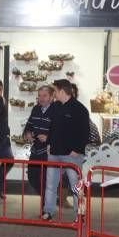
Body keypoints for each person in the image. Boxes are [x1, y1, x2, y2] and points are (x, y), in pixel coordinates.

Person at [42, 79, 90, 222]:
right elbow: (52, 127)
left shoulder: (80, 109)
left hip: (72, 156)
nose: (54, 94)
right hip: (54, 154)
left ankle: (80, 214)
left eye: (55, 91)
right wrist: (49, 144)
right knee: (50, 185)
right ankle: (48, 211)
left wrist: (77, 149)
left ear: (62, 91)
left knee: (77, 187)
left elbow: (85, 132)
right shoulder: (56, 106)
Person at [23, 85, 54, 198]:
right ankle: (47, 198)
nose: (41, 98)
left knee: (45, 180)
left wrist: (48, 137)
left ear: (51, 97)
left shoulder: (56, 111)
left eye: (45, 96)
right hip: (35, 150)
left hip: (49, 152)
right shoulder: (35, 109)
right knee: (32, 177)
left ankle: (46, 206)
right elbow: (29, 125)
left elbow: (61, 132)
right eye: (39, 96)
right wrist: (27, 133)